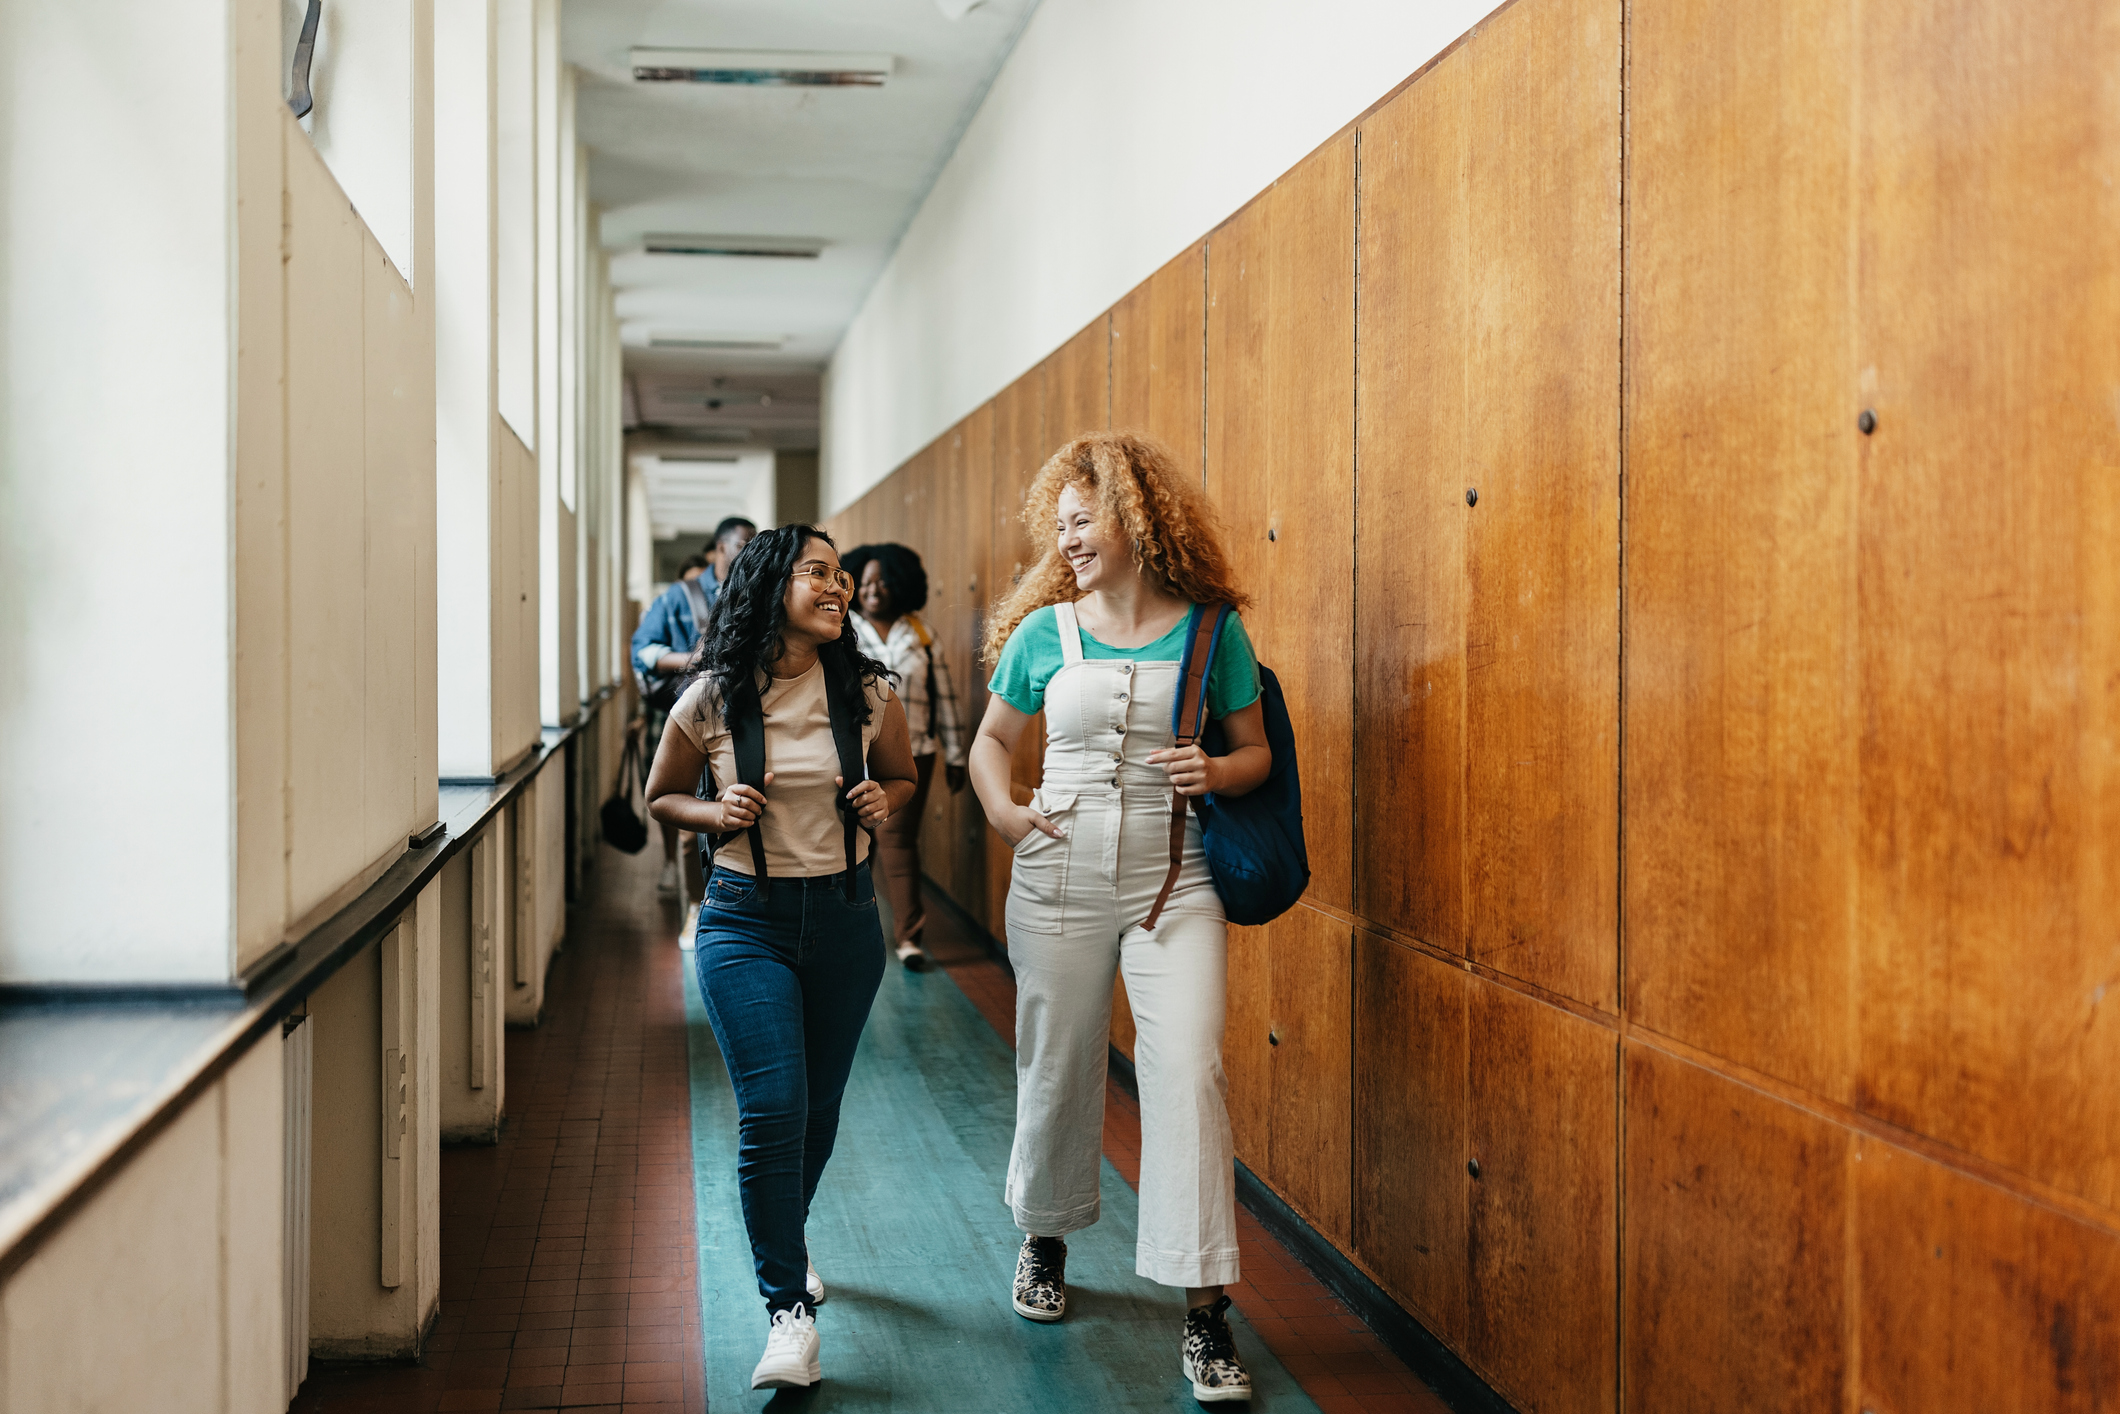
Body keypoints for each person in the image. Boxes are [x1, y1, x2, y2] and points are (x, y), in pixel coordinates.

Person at [970, 432, 1270, 1404]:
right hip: (1056, 878)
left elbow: (1253, 753)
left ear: (1135, 519)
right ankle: (1044, 1237)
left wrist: (1216, 770)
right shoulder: (1042, 635)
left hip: (1174, 884)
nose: (1067, 539)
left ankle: (1204, 1311)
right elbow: (989, 742)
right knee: (1055, 1065)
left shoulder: (1210, 631)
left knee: (1188, 1070)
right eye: (1057, 525)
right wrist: (1003, 810)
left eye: (1082, 519)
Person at [644, 524, 916, 1392]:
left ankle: (785, 1239)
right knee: (776, 1105)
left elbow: (905, 780)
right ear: (771, 587)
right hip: (743, 923)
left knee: (822, 1107)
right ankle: (786, 1313)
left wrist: (883, 797)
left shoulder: (871, 693)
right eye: (818, 573)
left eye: (841, 577)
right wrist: (714, 810)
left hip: (843, 920)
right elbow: (660, 799)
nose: (838, 588)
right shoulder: (712, 698)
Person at [843, 542, 968, 969]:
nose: (874, 590)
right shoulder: (843, 629)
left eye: (884, 582)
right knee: (858, 844)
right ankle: (854, 933)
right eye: (867, 582)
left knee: (897, 841)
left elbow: (945, 697)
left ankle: (909, 939)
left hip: (915, 752)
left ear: (900, 585)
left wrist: (956, 754)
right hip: (855, 755)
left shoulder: (921, 633)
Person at [632, 516, 758, 894]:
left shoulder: (756, 591)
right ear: (720, 548)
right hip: (685, 714)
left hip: (738, 718)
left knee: (729, 810)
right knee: (685, 813)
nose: (748, 554)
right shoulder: (679, 596)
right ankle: (691, 902)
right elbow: (644, 650)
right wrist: (696, 661)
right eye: (742, 546)